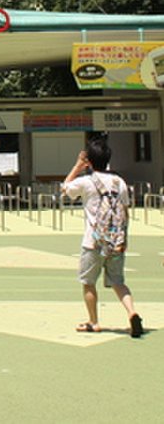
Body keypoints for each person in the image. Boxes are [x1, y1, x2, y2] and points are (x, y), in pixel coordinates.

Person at [61, 135, 143, 337]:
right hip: (116, 241)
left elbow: (65, 188)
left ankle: (93, 321)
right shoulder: (119, 182)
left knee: (88, 282)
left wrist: (77, 166)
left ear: (89, 160)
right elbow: (125, 211)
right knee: (118, 282)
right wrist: (124, 238)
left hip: (93, 241)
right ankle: (132, 312)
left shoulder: (87, 182)